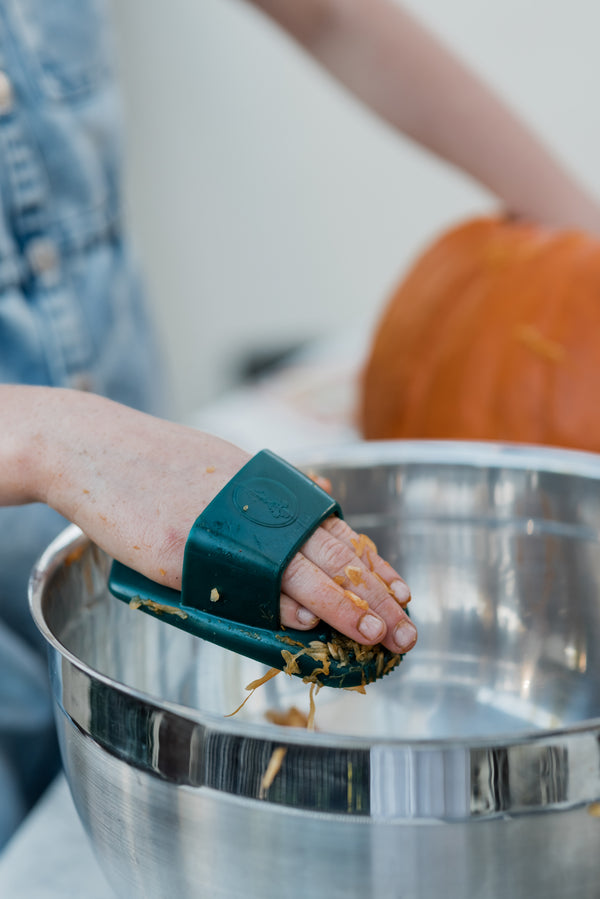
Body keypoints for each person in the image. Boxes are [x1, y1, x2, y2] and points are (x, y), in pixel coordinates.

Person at [1, 0, 599, 849]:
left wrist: (585, 240)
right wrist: (48, 441)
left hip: (129, 528)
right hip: (98, 471)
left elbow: (332, 15)